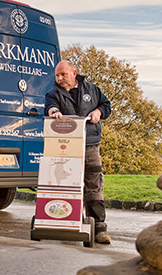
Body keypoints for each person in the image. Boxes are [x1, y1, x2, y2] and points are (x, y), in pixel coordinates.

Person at [44, 60, 112, 244]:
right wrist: (54, 111)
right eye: (57, 75)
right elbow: (50, 106)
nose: (59, 79)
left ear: (74, 73)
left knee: (94, 187)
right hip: (66, 147)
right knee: (66, 185)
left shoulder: (92, 89)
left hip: (90, 145)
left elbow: (107, 106)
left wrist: (99, 111)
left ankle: (99, 228)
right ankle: (65, 223)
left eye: (63, 75)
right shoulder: (53, 93)